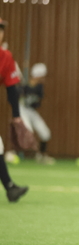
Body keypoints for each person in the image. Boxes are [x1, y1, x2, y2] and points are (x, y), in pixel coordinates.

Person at [0, 18, 29, 202]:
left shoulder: (5, 57)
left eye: (1, 29)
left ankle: (10, 187)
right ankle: (10, 187)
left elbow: (12, 88)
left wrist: (17, 116)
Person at [19, 63, 55, 165]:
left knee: (45, 133)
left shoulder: (39, 87)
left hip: (31, 111)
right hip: (22, 109)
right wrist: (22, 91)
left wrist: (27, 89)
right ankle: (13, 152)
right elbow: (17, 98)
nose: (43, 78)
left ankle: (41, 156)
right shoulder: (24, 87)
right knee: (27, 131)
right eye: (42, 76)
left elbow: (37, 102)